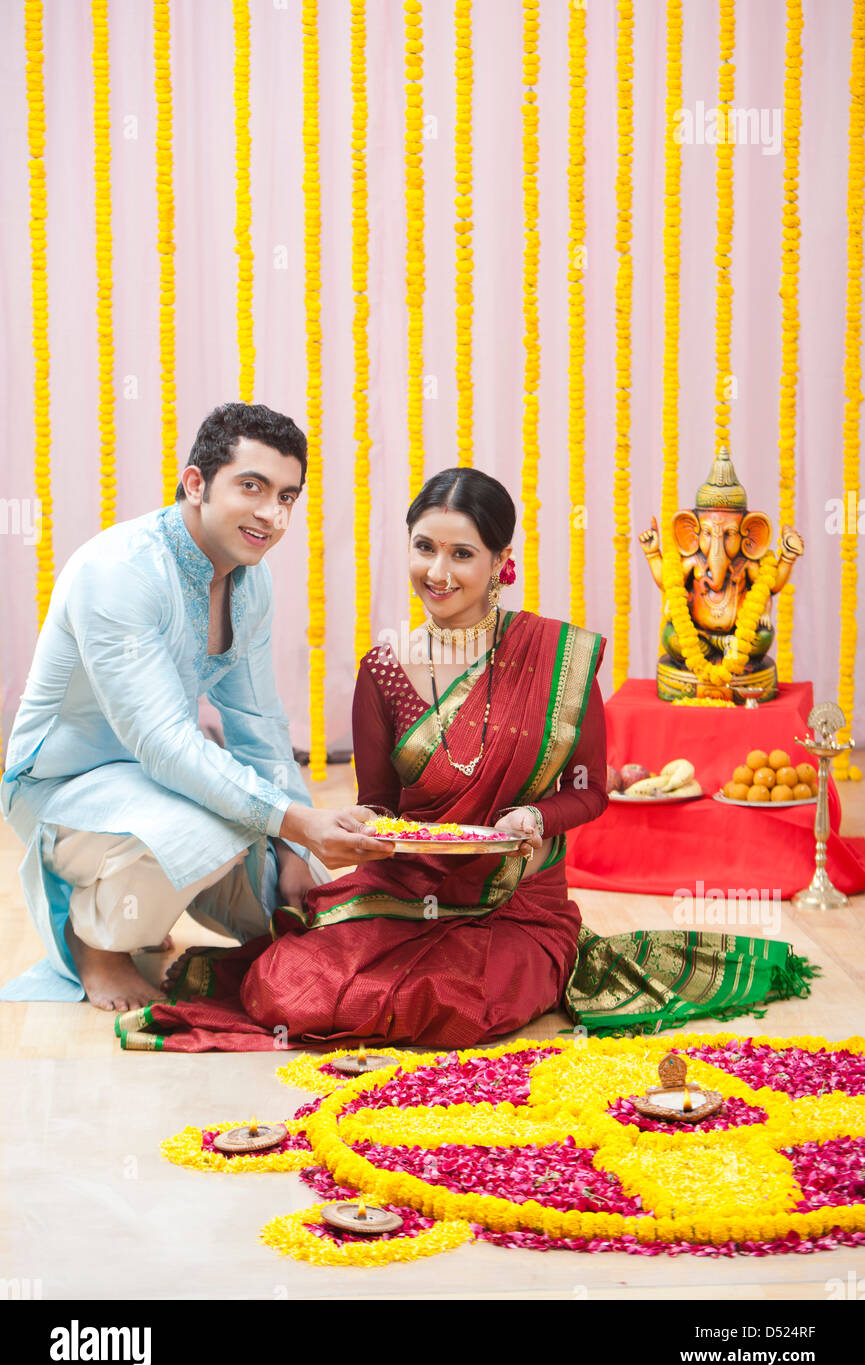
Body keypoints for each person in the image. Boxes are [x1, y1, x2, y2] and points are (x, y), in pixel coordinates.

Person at [117, 467, 611, 1050]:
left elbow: (590, 790)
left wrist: (536, 819)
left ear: (501, 560)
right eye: (424, 548)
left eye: (462, 554)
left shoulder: (556, 659)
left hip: (514, 898)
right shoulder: (385, 669)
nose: (438, 572)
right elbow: (378, 802)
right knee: (285, 988)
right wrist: (366, 828)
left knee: (449, 1004)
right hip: (404, 889)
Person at [0, 403, 392, 1012]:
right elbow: (162, 743)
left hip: (157, 782)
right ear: (196, 483)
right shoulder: (120, 572)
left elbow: (259, 725)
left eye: (287, 496)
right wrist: (288, 819)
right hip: (60, 785)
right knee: (213, 821)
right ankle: (93, 943)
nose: (271, 514)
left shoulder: (247, 577)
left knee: (306, 898)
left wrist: (294, 847)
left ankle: (137, 908)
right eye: (252, 487)